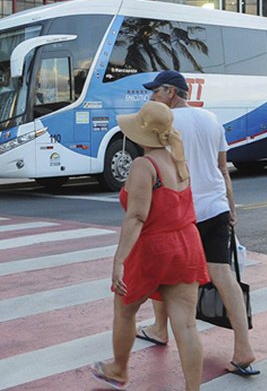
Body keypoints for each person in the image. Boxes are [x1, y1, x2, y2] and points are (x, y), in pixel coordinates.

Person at [140, 70, 259, 377]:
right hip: (216, 207)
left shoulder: (165, 123)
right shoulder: (211, 119)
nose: (152, 96)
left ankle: (159, 329)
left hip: (182, 212)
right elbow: (223, 168)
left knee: (164, 274)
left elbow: (157, 170)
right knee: (223, 274)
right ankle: (243, 348)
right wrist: (231, 209)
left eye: (156, 91)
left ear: (171, 92)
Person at [91, 101, 209, 391]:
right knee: (186, 325)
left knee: (125, 310)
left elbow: (136, 217)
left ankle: (119, 369)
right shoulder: (176, 159)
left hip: (154, 249)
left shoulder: (144, 165)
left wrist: (119, 259)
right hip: (187, 244)